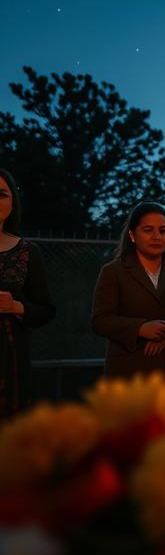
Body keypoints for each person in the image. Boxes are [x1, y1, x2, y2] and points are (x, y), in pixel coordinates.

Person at [92, 202, 165, 380]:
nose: (156, 236)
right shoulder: (113, 271)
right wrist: (139, 328)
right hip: (130, 374)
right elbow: (100, 320)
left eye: (162, 230)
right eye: (148, 230)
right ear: (132, 235)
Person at [0, 169, 55, 417]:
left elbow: (46, 310)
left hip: (9, 364)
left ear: (13, 203)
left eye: (1, 194)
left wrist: (16, 307)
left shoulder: (27, 252)